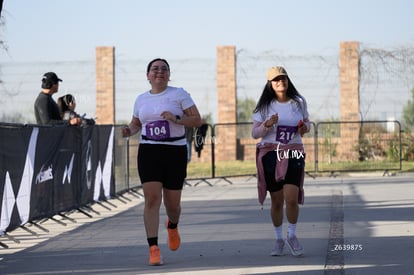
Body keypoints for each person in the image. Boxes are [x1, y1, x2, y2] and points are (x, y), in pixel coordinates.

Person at [121, 58, 202, 266]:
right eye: (155, 69)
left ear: (169, 75)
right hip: (149, 151)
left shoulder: (179, 94)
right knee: (151, 199)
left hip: (174, 151)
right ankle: (153, 248)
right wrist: (129, 130)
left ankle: (172, 226)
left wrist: (176, 119)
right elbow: (136, 122)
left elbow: (197, 120)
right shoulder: (141, 99)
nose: (159, 72)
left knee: (172, 204)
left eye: (164, 69)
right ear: (147, 76)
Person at [252, 66, 310, 257]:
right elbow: (255, 133)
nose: (280, 82)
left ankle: (292, 235)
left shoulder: (298, 102)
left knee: (291, 198)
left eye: (283, 78)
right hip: (271, 153)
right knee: (277, 201)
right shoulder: (264, 107)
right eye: (276, 79)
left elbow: (307, 124)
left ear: (287, 80)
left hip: (293, 151)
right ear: (270, 83)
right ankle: (278, 239)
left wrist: (303, 128)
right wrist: (266, 125)